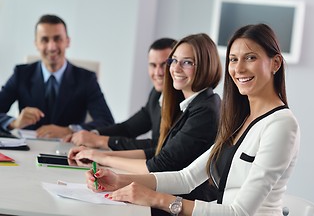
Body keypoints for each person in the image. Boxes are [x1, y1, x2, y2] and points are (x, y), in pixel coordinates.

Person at [85, 24, 301, 216]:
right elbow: (186, 178)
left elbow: (240, 212)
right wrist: (118, 180)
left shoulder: (281, 125)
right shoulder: (239, 120)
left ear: (275, 63)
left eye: (250, 58)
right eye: (233, 59)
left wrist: (156, 199)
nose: (239, 68)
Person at [71, 33, 222, 202]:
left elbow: (160, 164)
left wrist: (103, 158)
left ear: (206, 65)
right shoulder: (193, 104)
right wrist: (99, 156)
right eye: (174, 61)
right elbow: (159, 151)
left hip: (186, 202)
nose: (175, 68)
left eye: (187, 62)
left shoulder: (205, 110)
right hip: (172, 194)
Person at [0, 14, 114, 138]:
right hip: (28, 148)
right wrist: (13, 123)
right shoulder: (21, 74)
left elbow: (107, 122)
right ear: (36, 44)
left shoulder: (86, 79)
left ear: (67, 42)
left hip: (69, 150)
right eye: (45, 40)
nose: (52, 47)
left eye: (57, 39)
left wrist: (70, 130)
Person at [63, 38, 177, 151]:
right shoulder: (156, 94)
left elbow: (160, 147)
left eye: (164, 65)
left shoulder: (182, 102)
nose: (158, 72)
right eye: (153, 65)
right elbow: (128, 128)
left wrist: (101, 141)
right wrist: (92, 134)